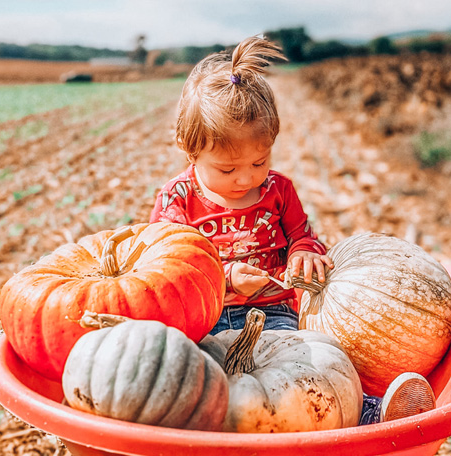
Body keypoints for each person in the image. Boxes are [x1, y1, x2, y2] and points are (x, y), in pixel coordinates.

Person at [149, 35, 435, 425]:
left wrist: (303, 252)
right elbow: (170, 266)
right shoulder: (177, 198)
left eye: (259, 161)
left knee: (315, 362)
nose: (246, 178)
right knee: (189, 381)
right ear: (189, 148)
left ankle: (371, 413)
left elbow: (303, 235)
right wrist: (226, 277)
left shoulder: (278, 191)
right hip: (205, 318)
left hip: (274, 313)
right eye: (228, 169)